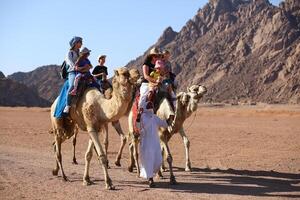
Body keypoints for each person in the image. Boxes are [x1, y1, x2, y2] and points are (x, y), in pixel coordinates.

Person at [138, 98, 169, 188]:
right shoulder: (142, 117)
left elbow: (164, 124)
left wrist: (170, 120)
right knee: (149, 161)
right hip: (146, 143)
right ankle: (150, 179)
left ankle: (151, 175)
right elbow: (138, 127)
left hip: (155, 143)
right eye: (149, 106)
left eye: (152, 106)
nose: (151, 107)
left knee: (158, 160)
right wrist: (138, 119)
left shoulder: (154, 117)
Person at [63, 36, 84, 113]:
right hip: (72, 72)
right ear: (75, 43)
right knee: (72, 85)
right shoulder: (69, 53)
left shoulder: (80, 53)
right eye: (80, 42)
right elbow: (69, 62)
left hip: (81, 72)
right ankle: (67, 105)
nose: (81, 44)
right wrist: (75, 67)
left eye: (81, 42)